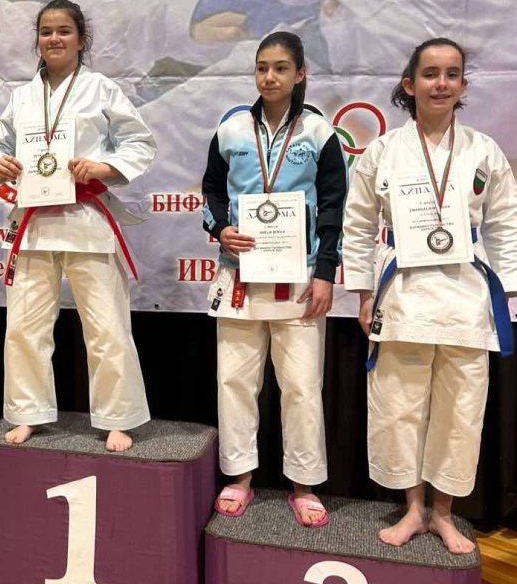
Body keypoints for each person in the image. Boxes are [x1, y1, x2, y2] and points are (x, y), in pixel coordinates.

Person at [343, 38, 517, 553]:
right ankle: (413, 508)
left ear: (462, 84)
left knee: (460, 412)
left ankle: (443, 512)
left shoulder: (484, 150)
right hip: (403, 293)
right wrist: (363, 294)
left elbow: (505, 224)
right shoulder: (382, 151)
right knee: (399, 407)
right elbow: (358, 224)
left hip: (467, 295)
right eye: (430, 73)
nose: (441, 83)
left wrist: (507, 294)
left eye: (452, 74)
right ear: (409, 83)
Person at [0, 0, 156, 452]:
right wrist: (0, 164)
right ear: (37, 40)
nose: (53, 39)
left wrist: (102, 167)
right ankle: (27, 412)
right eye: (46, 31)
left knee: (106, 326)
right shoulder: (22, 96)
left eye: (63, 31)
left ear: (81, 39)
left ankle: (118, 417)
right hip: (34, 222)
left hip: (85, 218)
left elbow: (139, 142)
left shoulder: (101, 89)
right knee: (24, 327)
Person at [201, 31, 348, 525]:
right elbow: (211, 190)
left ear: (300, 74)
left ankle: (304, 484)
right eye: (262, 67)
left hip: (299, 276)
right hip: (240, 273)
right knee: (235, 381)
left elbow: (334, 206)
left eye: (281, 68)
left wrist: (325, 272)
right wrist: (221, 229)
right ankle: (239, 477)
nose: (269, 76)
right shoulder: (232, 129)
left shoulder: (319, 132)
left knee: (301, 385)